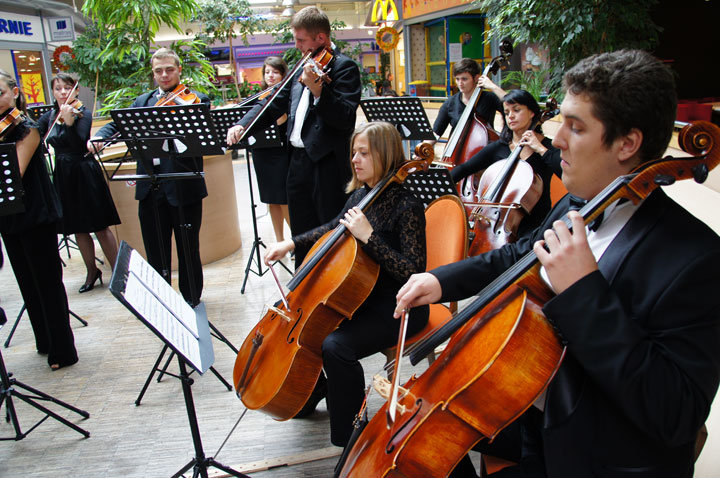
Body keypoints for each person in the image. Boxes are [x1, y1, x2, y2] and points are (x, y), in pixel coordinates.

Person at [395, 49, 720, 477]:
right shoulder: (575, 204)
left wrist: (585, 290)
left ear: (627, 143)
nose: (557, 139)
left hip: (600, 459)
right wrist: (440, 280)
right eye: (561, 121)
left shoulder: (696, 257)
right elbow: (519, 253)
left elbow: (675, 413)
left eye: (575, 126)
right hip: (539, 434)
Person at [264, 121, 429, 447]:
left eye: (364, 153)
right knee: (312, 329)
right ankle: (315, 392)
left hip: (399, 305)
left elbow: (413, 270)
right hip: (360, 298)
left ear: (385, 153)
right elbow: (332, 229)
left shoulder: (406, 205)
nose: (354, 159)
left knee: (335, 345)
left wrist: (369, 237)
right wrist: (291, 244)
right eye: (354, 152)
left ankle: (352, 434)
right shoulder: (360, 194)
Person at [227, 6, 362, 267]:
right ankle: (302, 288)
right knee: (300, 232)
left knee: (329, 231)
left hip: (328, 165)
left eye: (301, 40)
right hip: (297, 162)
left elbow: (344, 117)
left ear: (320, 38)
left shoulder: (344, 68)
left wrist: (319, 91)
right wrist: (244, 125)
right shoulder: (303, 66)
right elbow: (273, 103)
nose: (297, 45)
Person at [88, 48, 208, 307]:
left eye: (169, 69)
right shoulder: (143, 102)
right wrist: (100, 138)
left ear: (179, 70)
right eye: (158, 71)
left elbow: (203, 137)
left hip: (183, 185)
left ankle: (191, 298)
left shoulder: (196, 99)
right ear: (153, 74)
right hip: (150, 187)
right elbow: (118, 124)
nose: (164, 75)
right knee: (156, 249)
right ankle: (163, 299)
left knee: (189, 248)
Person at [0, 69, 78, 370]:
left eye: (1, 93)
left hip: (36, 214)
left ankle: (64, 349)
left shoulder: (26, 128)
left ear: (15, 92)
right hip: (9, 216)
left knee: (47, 283)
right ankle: (44, 340)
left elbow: (15, 172)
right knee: (27, 283)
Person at [38, 73, 120, 293]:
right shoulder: (49, 116)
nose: (63, 92)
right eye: (58, 89)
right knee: (77, 228)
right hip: (64, 174)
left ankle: (118, 272)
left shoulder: (82, 113)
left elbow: (79, 142)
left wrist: (69, 121)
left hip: (84, 171)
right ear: (52, 92)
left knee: (100, 225)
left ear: (75, 90)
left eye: (67, 88)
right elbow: (37, 136)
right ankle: (92, 271)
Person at [451, 89, 562, 238]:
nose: (510, 116)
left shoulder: (548, 146)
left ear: (532, 113)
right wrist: (440, 188)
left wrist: (541, 149)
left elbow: (566, 173)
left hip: (536, 226)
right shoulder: (499, 147)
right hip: (499, 224)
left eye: (516, 110)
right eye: (507, 112)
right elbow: (464, 169)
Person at [251, 56, 291, 243]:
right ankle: (280, 240)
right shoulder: (259, 97)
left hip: (280, 152)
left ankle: (295, 241)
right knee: (270, 200)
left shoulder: (287, 94)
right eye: (267, 72)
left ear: (283, 74)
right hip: (262, 153)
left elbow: (281, 121)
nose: (270, 76)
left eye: (275, 72)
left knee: (283, 199)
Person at [430, 58, 506, 146]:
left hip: (484, 148)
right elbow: (436, 133)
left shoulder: (489, 98)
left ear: (476, 78)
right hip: (456, 151)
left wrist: (492, 86)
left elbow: (511, 102)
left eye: (464, 79)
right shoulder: (450, 103)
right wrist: (422, 149)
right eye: (457, 79)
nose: (460, 83)